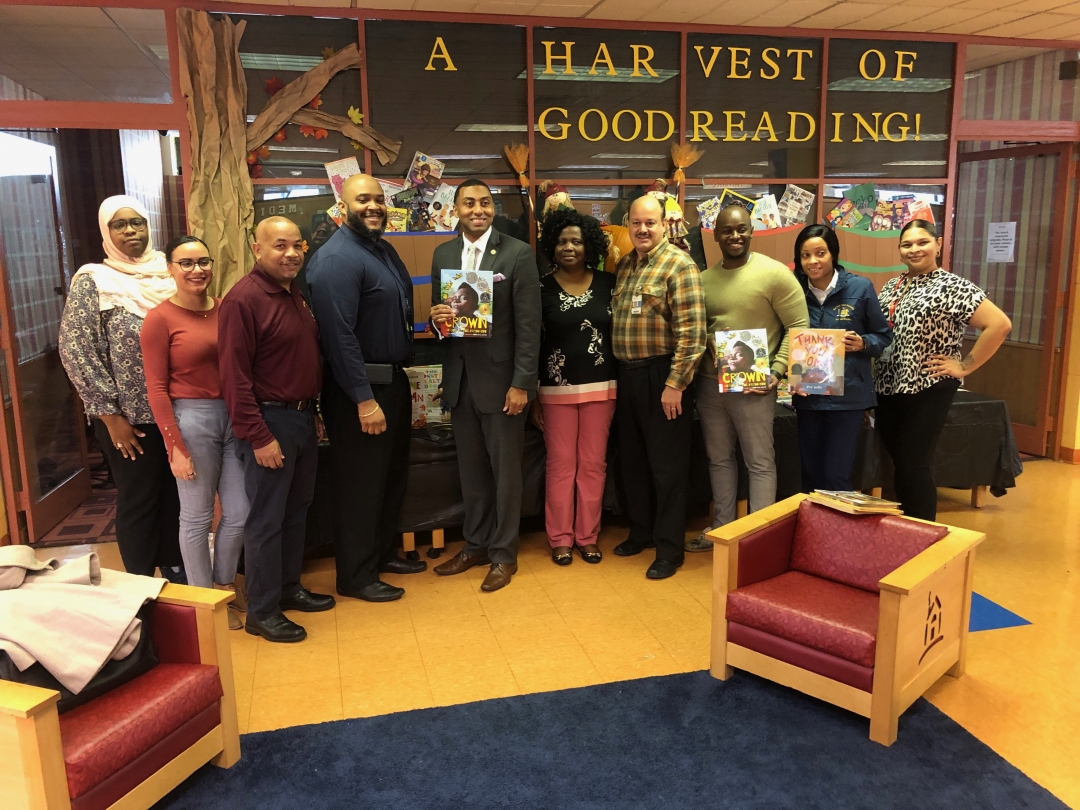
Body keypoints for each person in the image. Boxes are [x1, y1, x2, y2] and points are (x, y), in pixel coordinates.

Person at [307, 174, 426, 604]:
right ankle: (355, 575)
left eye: (378, 199)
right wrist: (363, 399)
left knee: (388, 478)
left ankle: (380, 554)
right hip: (359, 390)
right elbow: (339, 339)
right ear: (343, 205)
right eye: (363, 199)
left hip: (390, 381)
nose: (373, 206)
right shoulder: (337, 259)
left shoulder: (381, 248)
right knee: (360, 484)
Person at [219, 216, 335, 643]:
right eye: (280, 246)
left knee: (296, 510)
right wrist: (259, 434)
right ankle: (263, 611)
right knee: (266, 519)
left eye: (297, 246)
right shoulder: (243, 300)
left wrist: (314, 410)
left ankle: (289, 588)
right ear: (257, 249)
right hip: (270, 422)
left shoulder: (292, 293)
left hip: (302, 418)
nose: (291, 254)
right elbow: (234, 378)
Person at [58, 196, 184, 582]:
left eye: (137, 223)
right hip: (130, 420)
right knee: (140, 499)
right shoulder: (94, 281)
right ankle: (141, 583)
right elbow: (76, 349)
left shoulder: (170, 273)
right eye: (119, 225)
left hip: (179, 412)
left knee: (177, 497)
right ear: (106, 232)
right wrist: (111, 418)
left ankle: (177, 571)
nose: (130, 231)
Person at [429, 179, 541, 592]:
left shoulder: (517, 253)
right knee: (472, 474)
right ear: (455, 209)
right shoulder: (443, 253)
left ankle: (503, 554)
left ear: (493, 208)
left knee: (506, 474)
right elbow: (444, 323)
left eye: (485, 202)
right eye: (469, 203)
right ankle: (474, 545)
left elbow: (530, 327)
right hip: (460, 383)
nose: (478, 209)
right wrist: (436, 322)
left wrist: (521, 384)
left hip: (503, 385)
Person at [140, 235, 248, 629]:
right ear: (170, 268)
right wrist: (175, 446)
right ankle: (205, 604)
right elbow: (156, 388)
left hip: (234, 417)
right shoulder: (159, 319)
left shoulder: (225, 310)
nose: (196, 270)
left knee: (239, 512)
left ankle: (224, 586)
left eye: (203, 262)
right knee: (197, 517)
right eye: (185, 263)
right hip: (192, 419)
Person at [687, 204, 808, 553]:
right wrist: (704, 340)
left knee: (759, 461)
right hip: (710, 384)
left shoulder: (774, 275)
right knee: (719, 459)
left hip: (754, 383)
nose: (735, 236)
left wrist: (778, 369)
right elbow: (697, 328)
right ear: (716, 234)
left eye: (741, 229)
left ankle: (758, 541)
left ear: (752, 231)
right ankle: (723, 533)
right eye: (727, 230)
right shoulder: (704, 280)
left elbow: (798, 326)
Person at [874, 219, 1012, 521]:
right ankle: (901, 529)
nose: (914, 249)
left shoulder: (953, 286)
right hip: (887, 387)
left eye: (922, 242)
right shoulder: (892, 285)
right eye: (907, 244)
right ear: (899, 250)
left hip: (927, 387)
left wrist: (963, 366)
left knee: (914, 464)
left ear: (938, 244)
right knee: (898, 463)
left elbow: (999, 325)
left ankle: (922, 534)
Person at [610, 195, 705, 579]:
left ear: (664, 224)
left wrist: (675, 385)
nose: (643, 229)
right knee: (632, 461)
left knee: (668, 468)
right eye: (636, 223)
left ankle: (669, 549)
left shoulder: (679, 265)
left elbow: (693, 334)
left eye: (650, 223)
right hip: (628, 376)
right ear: (628, 226)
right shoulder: (626, 266)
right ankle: (642, 531)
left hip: (664, 378)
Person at [532, 209, 615, 566]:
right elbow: (532, 342)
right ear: (552, 245)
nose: (569, 247)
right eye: (563, 241)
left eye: (577, 241)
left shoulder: (610, 284)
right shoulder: (540, 288)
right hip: (555, 391)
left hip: (602, 387)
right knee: (561, 465)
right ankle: (561, 538)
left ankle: (588, 536)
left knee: (593, 464)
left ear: (589, 246)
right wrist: (533, 390)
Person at [791, 224, 892, 493]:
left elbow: (883, 337)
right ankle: (814, 531)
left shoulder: (860, 287)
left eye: (820, 253)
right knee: (810, 473)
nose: (813, 261)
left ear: (833, 254)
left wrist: (863, 343)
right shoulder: (793, 290)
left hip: (848, 397)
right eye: (805, 255)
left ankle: (837, 533)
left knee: (837, 475)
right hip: (808, 396)